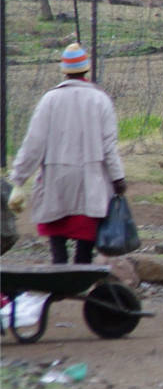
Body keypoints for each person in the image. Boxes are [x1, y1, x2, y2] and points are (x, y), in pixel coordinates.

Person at [7, 43, 127, 267]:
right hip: (90, 185)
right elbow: (109, 146)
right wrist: (118, 178)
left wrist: (18, 178)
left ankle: (59, 275)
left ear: (64, 70)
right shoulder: (101, 100)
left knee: (58, 248)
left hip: (56, 183)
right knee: (84, 250)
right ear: (86, 70)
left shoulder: (49, 100)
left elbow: (33, 143)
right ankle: (80, 279)